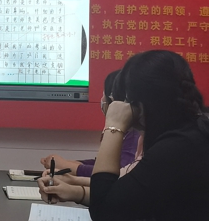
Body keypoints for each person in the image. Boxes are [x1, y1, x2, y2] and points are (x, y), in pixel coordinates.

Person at [37, 50, 209, 220]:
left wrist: (113, 126)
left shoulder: (176, 148)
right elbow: (126, 199)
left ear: (139, 104)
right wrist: (76, 192)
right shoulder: (190, 135)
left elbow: (105, 212)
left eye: (125, 99)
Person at [40, 70, 140, 177]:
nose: (102, 99)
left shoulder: (134, 135)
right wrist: (69, 164)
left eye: (104, 95)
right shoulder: (126, 132)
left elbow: (111, 174)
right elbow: (102, 164)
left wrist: (66, 165)